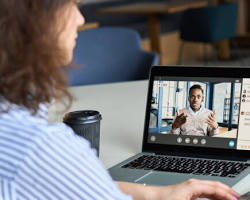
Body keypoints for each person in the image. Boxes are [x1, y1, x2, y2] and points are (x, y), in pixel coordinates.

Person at [0, 0, 240, 199]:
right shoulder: (41, 150)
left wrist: (157, 195)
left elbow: (85, 189)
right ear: (35, 22)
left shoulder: (17, 122)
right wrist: (176, 127)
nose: (80, 18)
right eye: (70, 4)